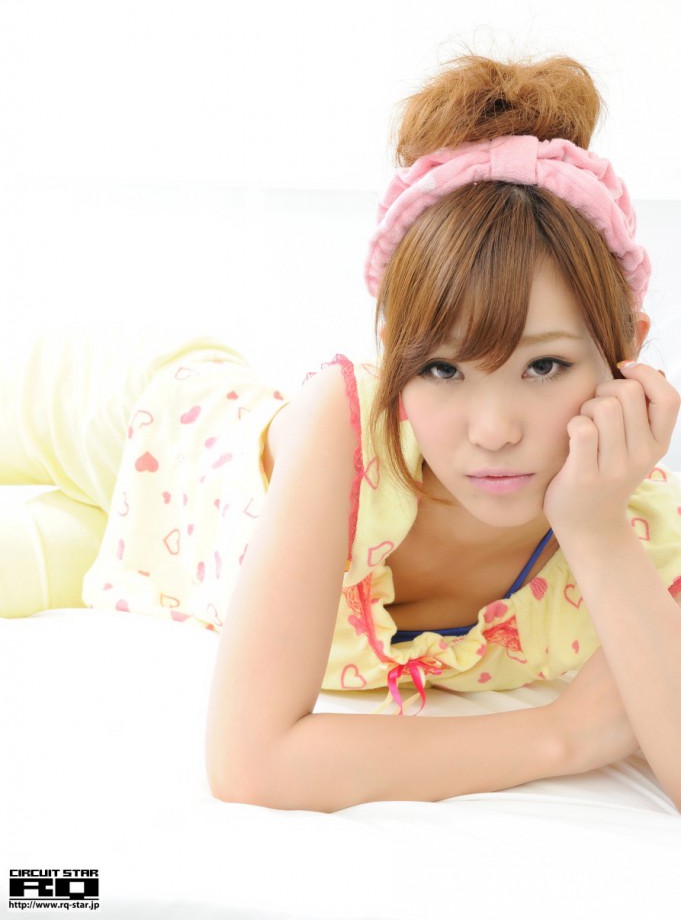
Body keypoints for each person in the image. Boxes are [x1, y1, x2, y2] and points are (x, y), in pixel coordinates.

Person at [1, 53, 680, 813]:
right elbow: (252, 764)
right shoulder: (345, 422)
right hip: (140, 423)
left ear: (625, 353)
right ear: (393, 357)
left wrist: (594, 529)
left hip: (162, 563)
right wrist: (560, 735)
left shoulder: (645, 543)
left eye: (545, 366)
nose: (493, 431)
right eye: (443, 369)